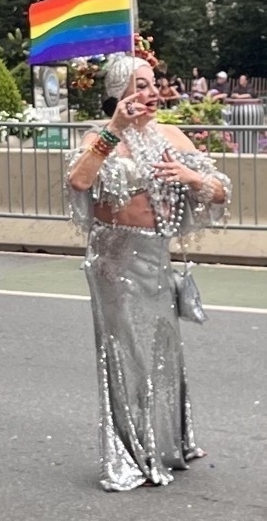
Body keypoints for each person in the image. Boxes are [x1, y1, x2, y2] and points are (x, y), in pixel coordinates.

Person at [66, 54, 231, 492]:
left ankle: (168, 444)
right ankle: (131, 454)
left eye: (153, 83)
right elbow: (79, 182)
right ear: (118, 93)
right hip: (113, 260)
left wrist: (191, 178)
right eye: (140, 85)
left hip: (156, 258)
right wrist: (115, 129)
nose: (151, 92)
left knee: (162, 351)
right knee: (127, 356)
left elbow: (219, 190)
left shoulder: (170, 137)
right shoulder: (99, 138)